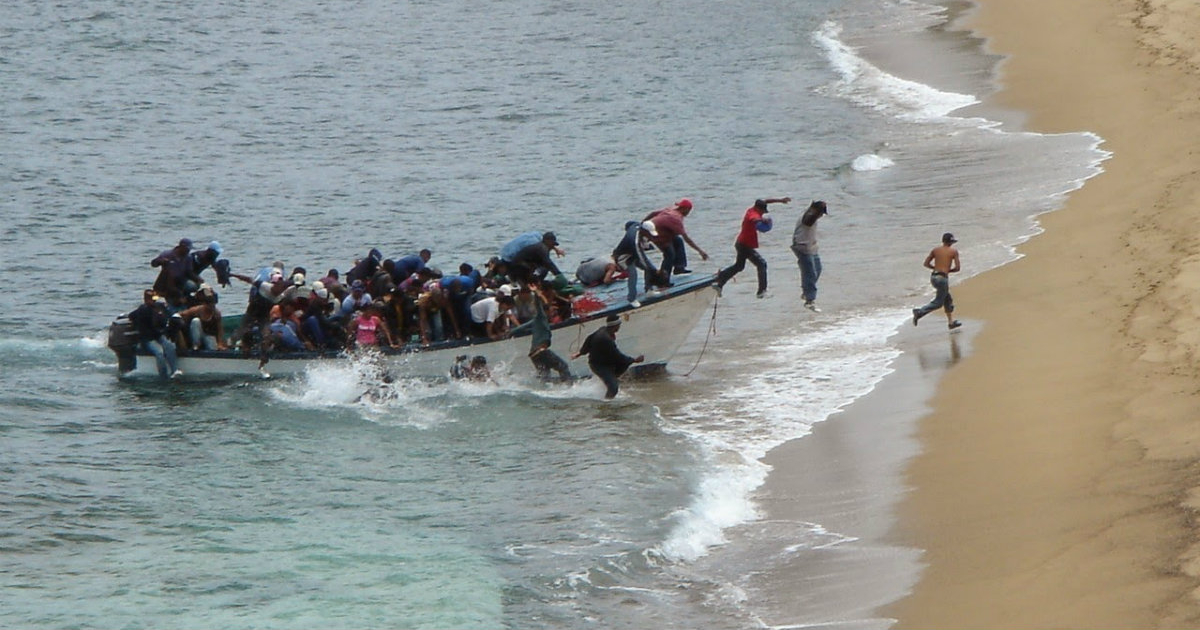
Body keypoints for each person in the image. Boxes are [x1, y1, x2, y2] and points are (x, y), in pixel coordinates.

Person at [715, 197, 791, 299]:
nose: (763, 214)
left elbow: (766, 201)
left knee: (739, 266)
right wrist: (763, 220)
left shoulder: (752, 209)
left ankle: (720, 282)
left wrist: (780, 200)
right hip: (744, 245)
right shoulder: (753, 215)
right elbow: (753, 219)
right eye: (763, 212)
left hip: (741, 243)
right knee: (762, 264)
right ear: (759, 209)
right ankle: (761, 291)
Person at [510, 282, 573, 381]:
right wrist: (536, 292)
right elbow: (539, 305)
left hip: (533, 354)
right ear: (546, 311)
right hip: (541, 351)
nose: (552, 313)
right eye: (551, 311)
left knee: (545, 375)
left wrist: (509, 333)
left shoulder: (536, 321)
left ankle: (546, 391)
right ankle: (569, 387)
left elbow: (520, 328)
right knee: (563, 367)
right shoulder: (541, 317)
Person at [571, 314, 644, 399]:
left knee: (625, 364)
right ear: (616, 326)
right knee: (614, 388)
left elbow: (589, 339)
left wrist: (580, 353)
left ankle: (611, 378)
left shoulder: (604, 330)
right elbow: (618, 356)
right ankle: (607, 404)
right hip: (598, 365)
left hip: (606, 362)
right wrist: (634, 360)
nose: (619, 327)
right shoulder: (605, 339)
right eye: (619, 325)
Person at [644, 199, 708, 286]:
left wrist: (643, 223)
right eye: (689, 210)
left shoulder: (670, 210)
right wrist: (700, 251)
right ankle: (663, 281)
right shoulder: (676, 219)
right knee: (669, 255)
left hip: (656, 230)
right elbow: (687, 238)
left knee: (678, 240)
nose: (688, 213)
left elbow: (653, 213)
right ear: (685, 209)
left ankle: (679, 267)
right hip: (656, 234)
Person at [912, 232, 963, 330]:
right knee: (938, 302)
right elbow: (957, 268)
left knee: (947, 299)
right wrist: (947, 270)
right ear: (951, 242)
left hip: (933, 277)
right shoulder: (953, 251)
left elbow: (926, 264)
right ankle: (919, 312)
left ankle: (951, 322)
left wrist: (936, 268)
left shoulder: (935, 250)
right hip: (942, 279)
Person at [128, 290, 182, 378]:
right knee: (159, 353)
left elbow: (169, 314)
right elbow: (132, 316)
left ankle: (175, 370)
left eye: (154, 298)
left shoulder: (160, 306)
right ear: (146, 299)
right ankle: (164, 376)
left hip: (159, 335)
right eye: (151, 299)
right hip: (148, 339)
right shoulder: (143, 309)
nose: (153, 301)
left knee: (169, 346)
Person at [611, 220, 665, 307]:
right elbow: (641, 257)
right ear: (643, 231)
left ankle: (649, 290)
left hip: (633, 253)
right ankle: (631, 299)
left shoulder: (638, 226)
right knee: (633, 274)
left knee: (649, 268)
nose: (650, 236)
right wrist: (653, 270)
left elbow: (629, 224)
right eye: (649, 234)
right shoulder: (635, 241)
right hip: (623, 257)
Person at [791, 200, 828, 311]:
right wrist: (818, 210)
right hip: (802, 247)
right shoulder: (808, 216)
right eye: (821, 213)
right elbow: (808, 221)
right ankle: (809, 301)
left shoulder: (811, 215)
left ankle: (806, 291)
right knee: (810, 273)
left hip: (811, 247)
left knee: (818, 269)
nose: (821, 215)